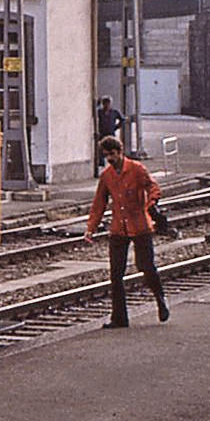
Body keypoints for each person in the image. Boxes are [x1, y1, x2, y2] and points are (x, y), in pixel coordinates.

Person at [84, 136, 169, 328]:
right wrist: (91, 227)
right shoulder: (107, 176)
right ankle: (119, 318)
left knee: (146, 266)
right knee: (116, 273)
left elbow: (152, 186)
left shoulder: (137, 169)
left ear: (120, 151)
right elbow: (99, 203)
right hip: (118, 228)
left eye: (112, 154)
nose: (110, 159)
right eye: (106, 156)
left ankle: (160, 299)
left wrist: (152, 202)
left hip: (140, 225)